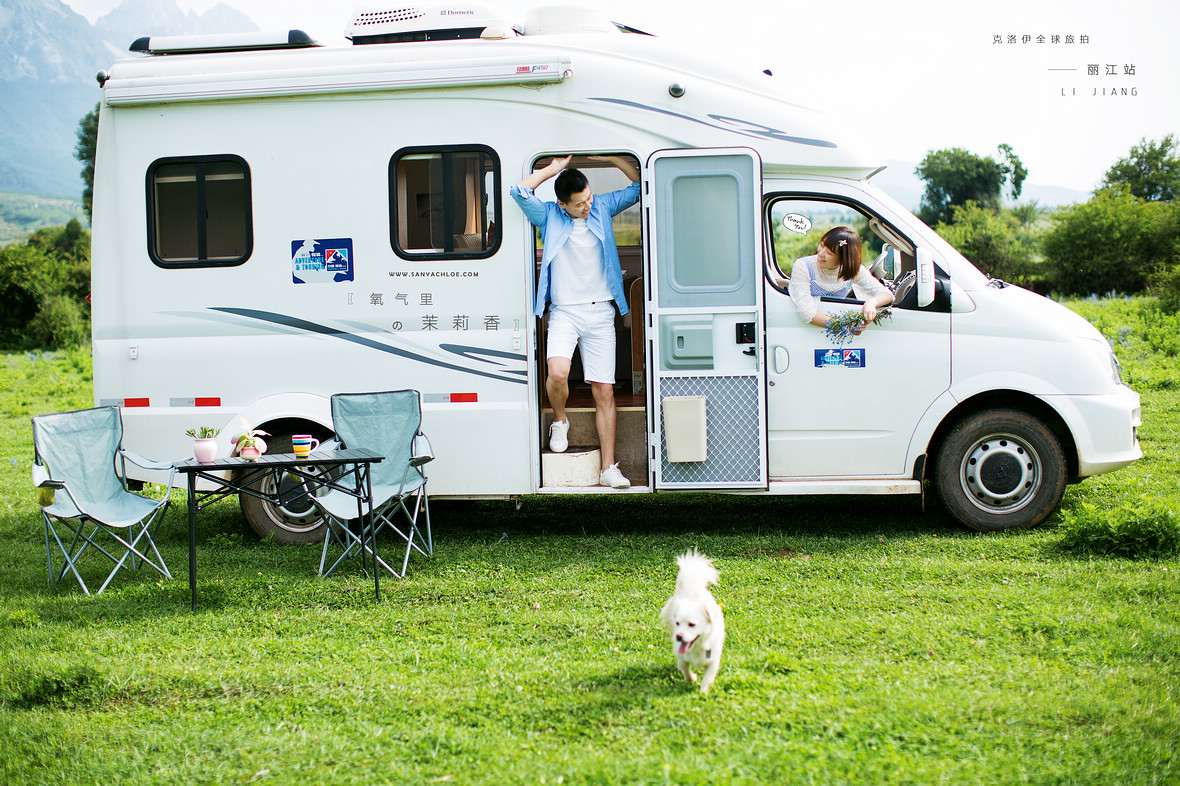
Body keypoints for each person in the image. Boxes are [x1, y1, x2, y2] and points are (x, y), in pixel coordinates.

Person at [510, 154, 640, 488]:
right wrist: (552, 169)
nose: (587, 206)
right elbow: (519, 192)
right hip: (565, 312)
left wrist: (613, 158)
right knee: (557, 373)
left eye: (589, 198)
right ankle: (560, 420)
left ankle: (608, 467)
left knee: (604, 391)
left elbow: (641, 185)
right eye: (580, 203)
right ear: (562, 204)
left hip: (599, 312)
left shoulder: (602, 207)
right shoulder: (549, 216)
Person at [787, 226, 894, 331]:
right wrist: (845, 326)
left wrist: (872, 302)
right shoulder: (803, 266)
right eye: (822, 245)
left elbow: (887, 295)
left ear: (843, 259)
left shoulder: (853, 270)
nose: (821, 253)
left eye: (829, 252)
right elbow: (807, 313)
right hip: (805, 330)